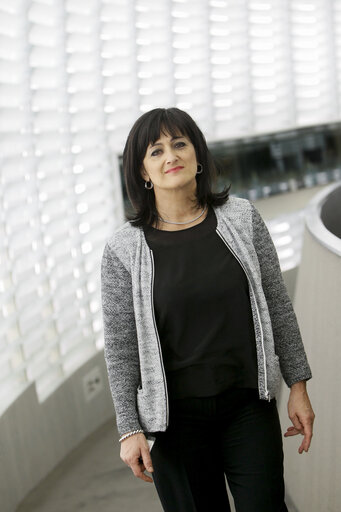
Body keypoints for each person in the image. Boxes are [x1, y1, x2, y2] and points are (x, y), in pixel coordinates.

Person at [101, 107, 315, 512]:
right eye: (156, 151)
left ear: (198, 155)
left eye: (180, 144)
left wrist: (298, 384)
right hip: (175, 424)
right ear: (143, 172)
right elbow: (121, 348)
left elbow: (278, 305)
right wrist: (129, 428)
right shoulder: (123, 249)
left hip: (248, 408)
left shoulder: (242, 218)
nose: (171, 156)